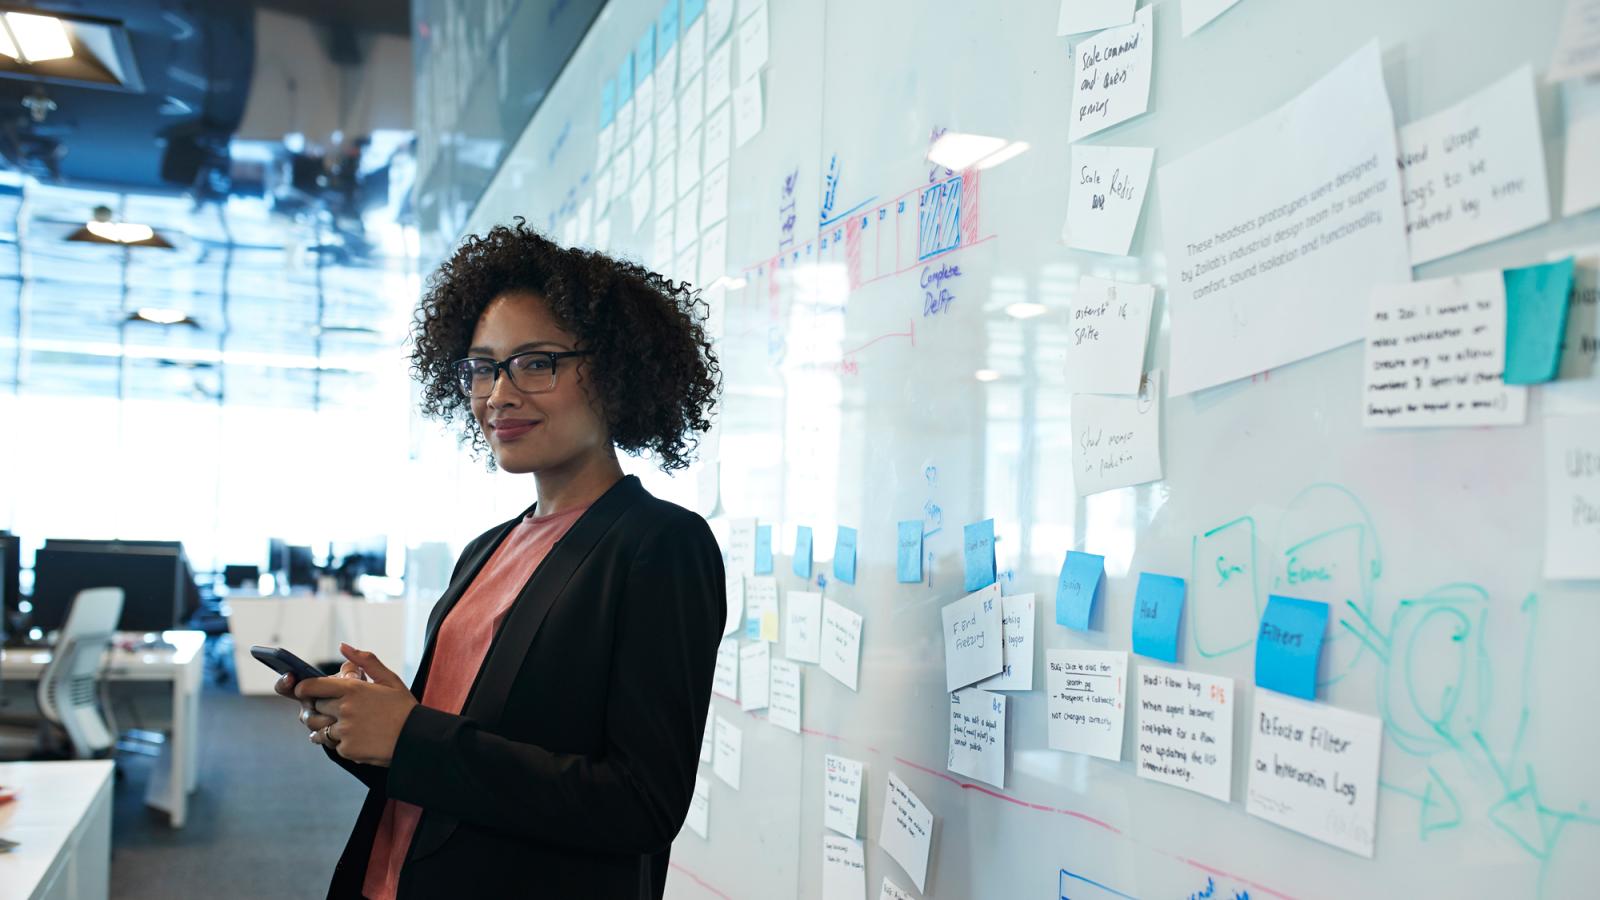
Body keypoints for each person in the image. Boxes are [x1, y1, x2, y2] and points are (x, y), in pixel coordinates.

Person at [273, 220, 726, 899]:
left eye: (535, 362)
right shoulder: (486, 549)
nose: (497, 394)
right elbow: (451, 762)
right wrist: (364, 727)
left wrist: (412, 736)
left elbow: (641, 805)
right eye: (482, 367)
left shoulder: (658, 545)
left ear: (615, 371)